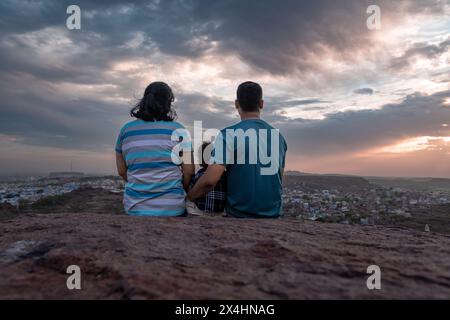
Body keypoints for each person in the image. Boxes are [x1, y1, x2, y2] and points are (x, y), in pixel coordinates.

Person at [187, 81, 287, 218]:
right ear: (262, 104)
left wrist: (190, 197)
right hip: (272, 215)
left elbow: (210, 180)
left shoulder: (228, 135)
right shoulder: (279, 137)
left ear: (236, 104)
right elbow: (279, 178)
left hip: (239, 215)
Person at [115, 82, 194, 216]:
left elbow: (122, 171)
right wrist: (179, 189)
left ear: (144, 101)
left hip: (135, 207)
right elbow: (189, 171)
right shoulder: (179, 130)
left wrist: (143, 185)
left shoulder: (126, 131)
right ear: (169, 103)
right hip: (172, 208)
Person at [186, 142, 226, 216]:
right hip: (219, 213)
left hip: (200, 211)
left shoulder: (199, 175)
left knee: (187, 202)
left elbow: (191, 189)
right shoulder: (224, 176)